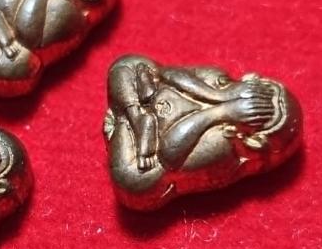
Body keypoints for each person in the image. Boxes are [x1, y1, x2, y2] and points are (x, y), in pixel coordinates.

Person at [105, 55, 301, 209]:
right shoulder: (217, 77)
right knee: (127, 63)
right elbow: (167, 74)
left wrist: (218, 112)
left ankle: (126, 117)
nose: (245, 99)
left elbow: (167, 156)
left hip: (140, 153)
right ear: (250, 80)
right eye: (254, 93)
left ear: (254, 142)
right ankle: (133, 114)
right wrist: (218, 95)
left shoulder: (225, 150)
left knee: (135, 182)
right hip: (144, 108)